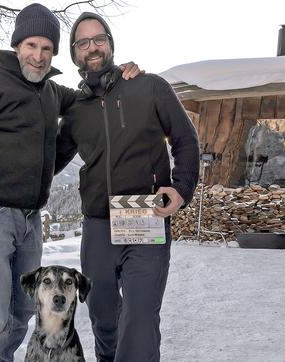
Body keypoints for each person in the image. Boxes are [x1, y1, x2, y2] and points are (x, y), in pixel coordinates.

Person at [0, 4, 139, 361]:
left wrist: (122, 74)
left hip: (30, 220)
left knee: (23, 312)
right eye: (32, 45)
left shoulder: (50, 91)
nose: (38, 56)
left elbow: (90, 95)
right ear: (18, 45)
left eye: (46, 48)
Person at [55, 12, 200, 362]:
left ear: (110, 43)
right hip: (98, 222)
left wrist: (180, 188)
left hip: (145, 211)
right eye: (83, 42)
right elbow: (49, 161)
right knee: (102, 312)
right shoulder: (75, 109)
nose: (92, 47)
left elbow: (185, 140)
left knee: (138, 314)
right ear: (75, 53)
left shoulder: (148, 87)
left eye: (99, 39)